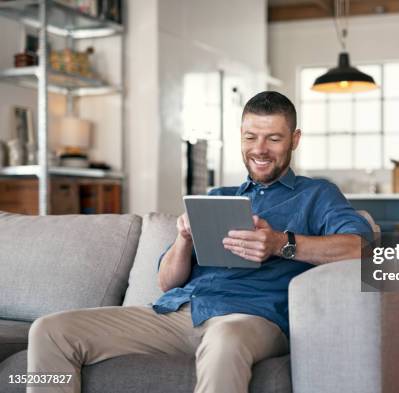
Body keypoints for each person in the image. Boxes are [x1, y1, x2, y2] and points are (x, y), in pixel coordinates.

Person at [27, 91, 373, 393]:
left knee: (225, 340)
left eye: (274, 139)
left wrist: (281, 242)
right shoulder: (216, 197)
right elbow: (166, 282)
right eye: (250, 137)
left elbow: (360, 249)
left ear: (295, 139)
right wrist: (183, 240)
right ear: (240, 136)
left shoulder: (317, 195)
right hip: (181, 311)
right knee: (51, 330)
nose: (260, 150)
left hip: (252, 318)